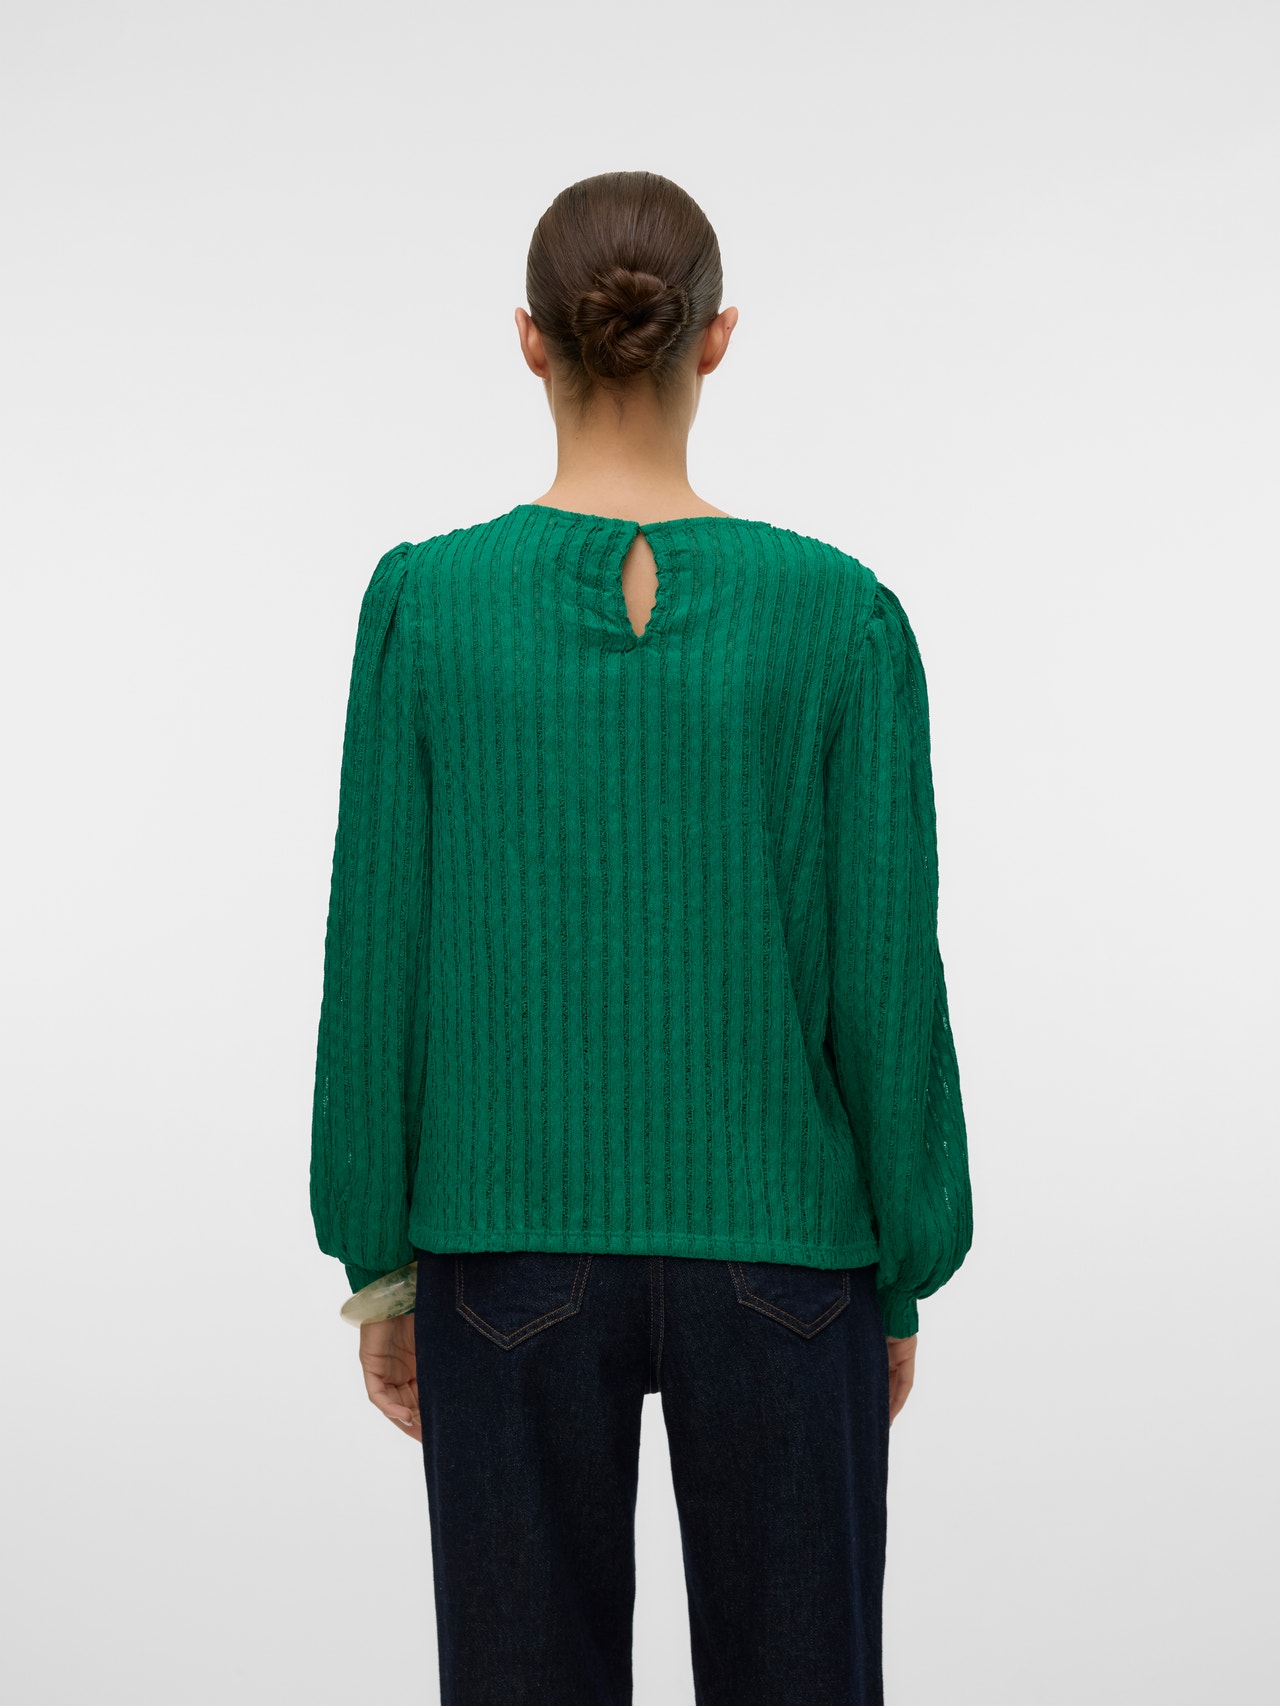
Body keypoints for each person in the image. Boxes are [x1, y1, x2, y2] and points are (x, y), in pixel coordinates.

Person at [309, 169, 973, 1706]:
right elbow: (888, 974)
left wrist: (378, 1264)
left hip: (500, 1253)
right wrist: (900, 1270)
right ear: (717, 338)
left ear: (528, 341)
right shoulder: (838, 615)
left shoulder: (426, 607)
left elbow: (375, 955)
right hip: (789, 1256)